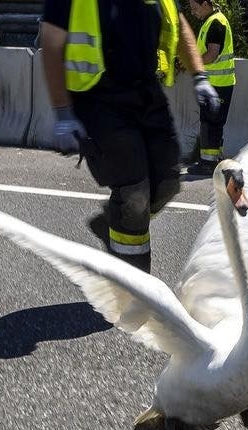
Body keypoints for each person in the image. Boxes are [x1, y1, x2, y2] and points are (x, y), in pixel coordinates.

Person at [39, 0, 221, 273]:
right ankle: (134, 298)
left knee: (168, 183)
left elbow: (178, 22)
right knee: (134, 194)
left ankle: (115, 221)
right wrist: (63, 113)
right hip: (99, 99)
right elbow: (51, 41)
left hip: (147, 95)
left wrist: (199, 76)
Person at [186, 0, 236, 175]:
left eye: (194, 8)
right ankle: (212, 160)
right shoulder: (211, 21)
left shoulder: (216, 23)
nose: (192, 12)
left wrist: (193, 62)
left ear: (205, 4)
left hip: (219, 84)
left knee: (211, 123)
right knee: (210, 121)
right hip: (216, 83)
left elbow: (212, 54)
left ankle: (208, 164)